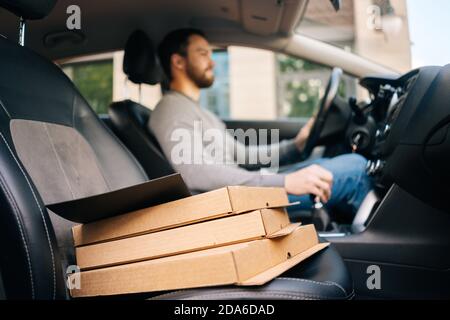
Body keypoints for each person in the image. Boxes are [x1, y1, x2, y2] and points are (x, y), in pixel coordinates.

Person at [149, 28, 372, 216]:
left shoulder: (198, 111)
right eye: (202, 53)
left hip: (242, 195)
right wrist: (283, 182)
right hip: (231, 207)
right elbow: (197, 174)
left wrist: (295, 146)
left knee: (332, 164)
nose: (213, 62)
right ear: (178, 61)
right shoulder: (171, 109)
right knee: (356, 168)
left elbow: (242, 155)